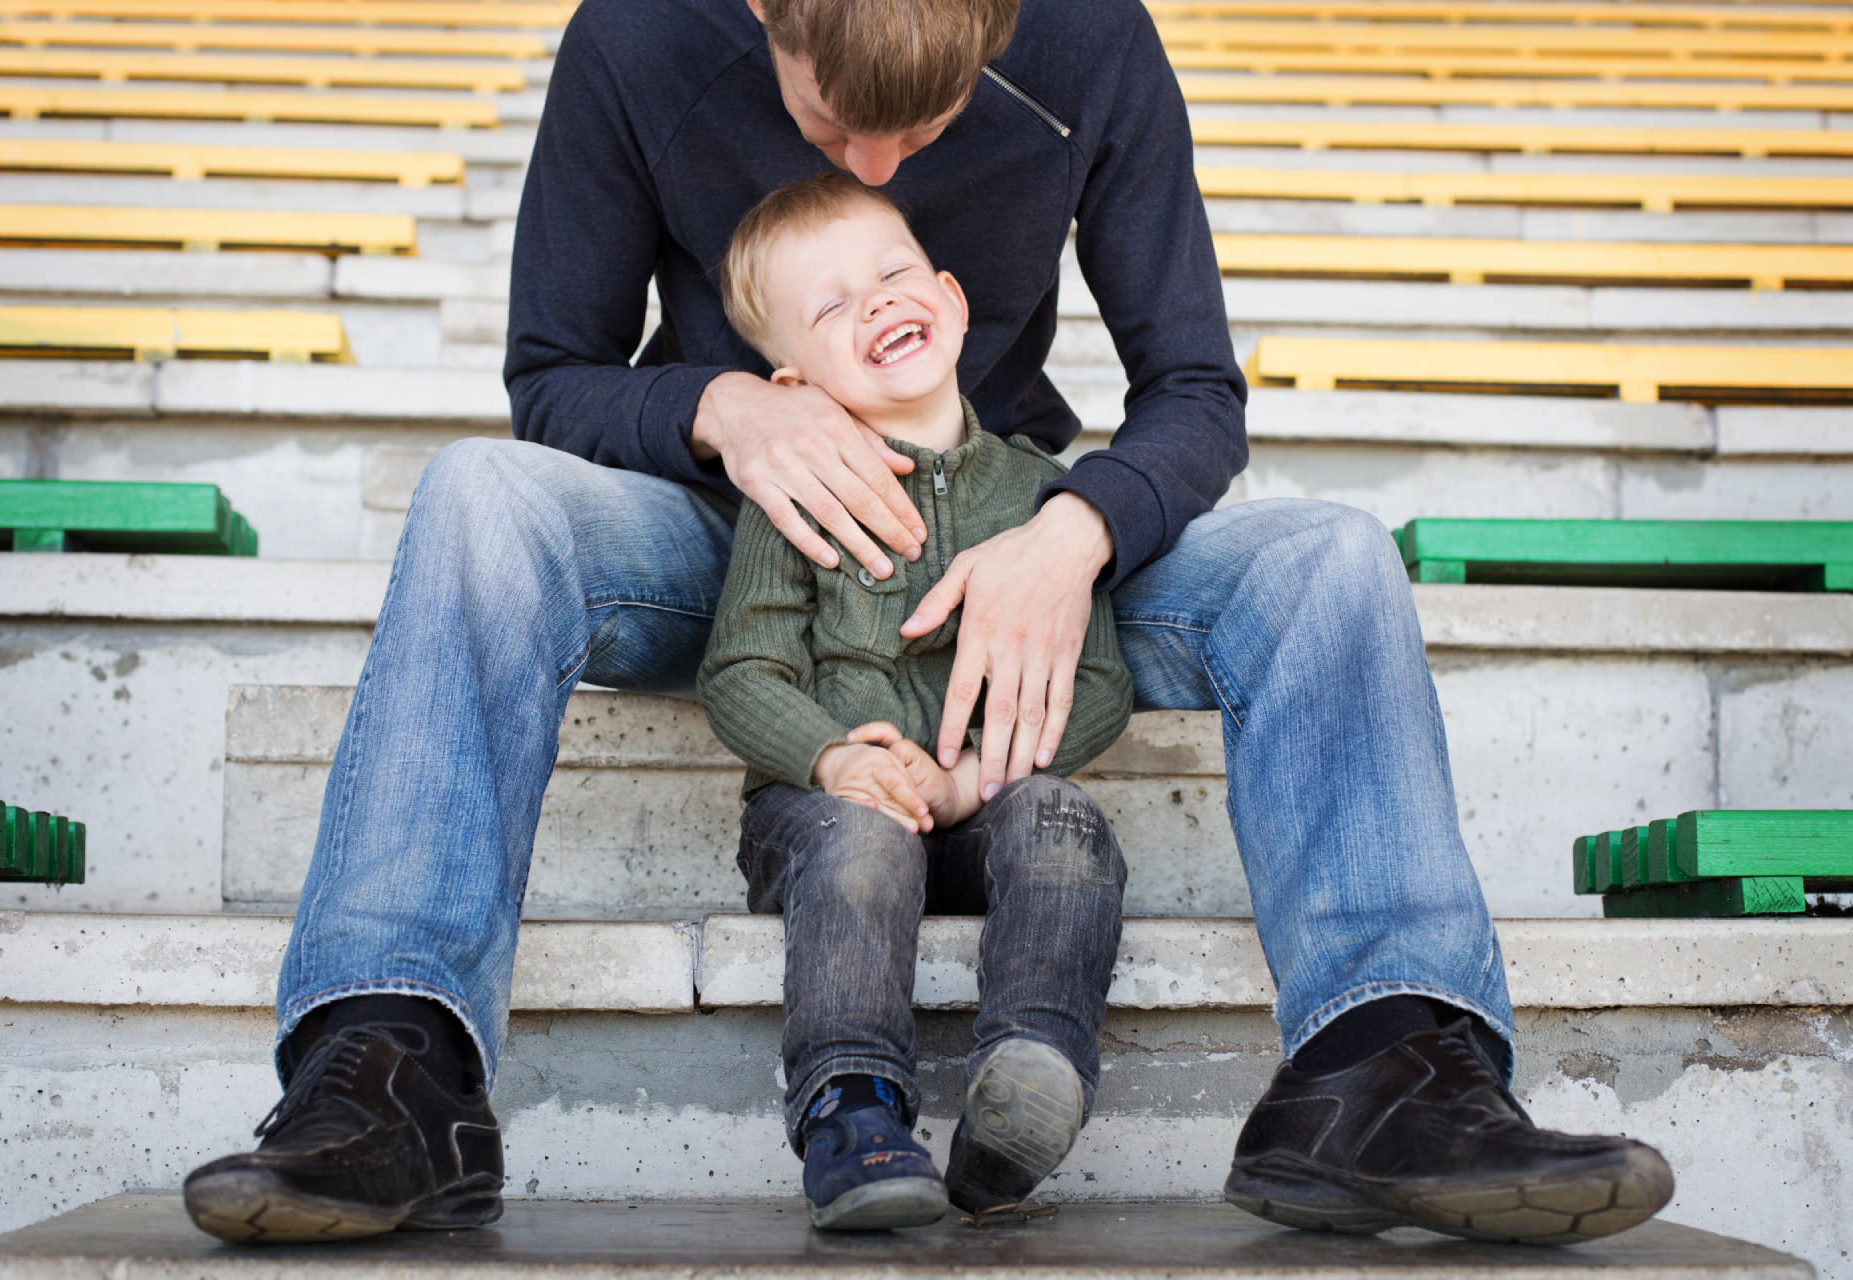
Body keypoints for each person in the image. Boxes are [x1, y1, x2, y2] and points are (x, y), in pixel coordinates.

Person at [182, 0, 1675, 1247]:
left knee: (1332, 558)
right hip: (738, 533)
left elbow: (1196, 396)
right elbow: (552, 372)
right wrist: (719, 412)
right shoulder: (637, 31)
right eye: (836, 129)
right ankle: (393, 1067)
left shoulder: (1095, 38)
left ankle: (1383, 1069)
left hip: (1012, 525)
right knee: (475, 498)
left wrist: (1075, 532)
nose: (882, 165)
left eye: (935, 120)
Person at [698, 171, 1132, 1229]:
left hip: (980, 790)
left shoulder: (1041, 495)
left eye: (892, 276)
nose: (878, 302)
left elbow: (1106, 684)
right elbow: (741, 672)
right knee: (861, 844)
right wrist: (837, 759)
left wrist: (967, 775)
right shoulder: (790, 493)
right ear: (791, 378)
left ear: (950, 293)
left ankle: (1028, 1080)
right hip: (827, 806)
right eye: (834, 303)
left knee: (1067, 819)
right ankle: (854, 1104)